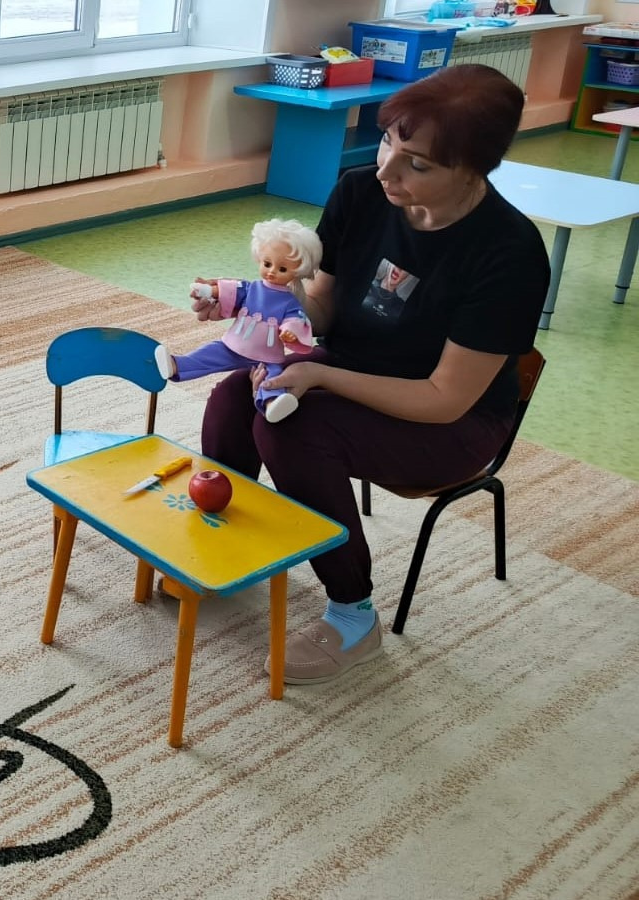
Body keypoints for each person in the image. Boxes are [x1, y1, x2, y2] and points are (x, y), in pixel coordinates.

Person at [194, 64, 549, 684]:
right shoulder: (361, 192)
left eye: (417, 164)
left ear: (475, 169)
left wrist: (319, 378)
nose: (386, 169)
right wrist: (263, 309)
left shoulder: (508, 253)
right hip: (352, 365)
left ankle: (354, 615)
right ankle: (226, 547)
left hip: (451, 423)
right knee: (234, 397)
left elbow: (444, 398)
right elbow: (324, 310)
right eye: (387, 141)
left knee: (292, 428)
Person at [155, 218, 322, 423]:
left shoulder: (290, 301)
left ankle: (272, 403)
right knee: (209, 353)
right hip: (235, 343)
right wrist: (207, 290)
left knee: (273, 378)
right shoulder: (252, 288)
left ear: (297, 271)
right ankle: (176, 365)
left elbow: (295, 318)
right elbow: (230, 290)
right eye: (267, 264)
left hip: (267, 355)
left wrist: (290, 331)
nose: (271, 271)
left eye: (282, 269)